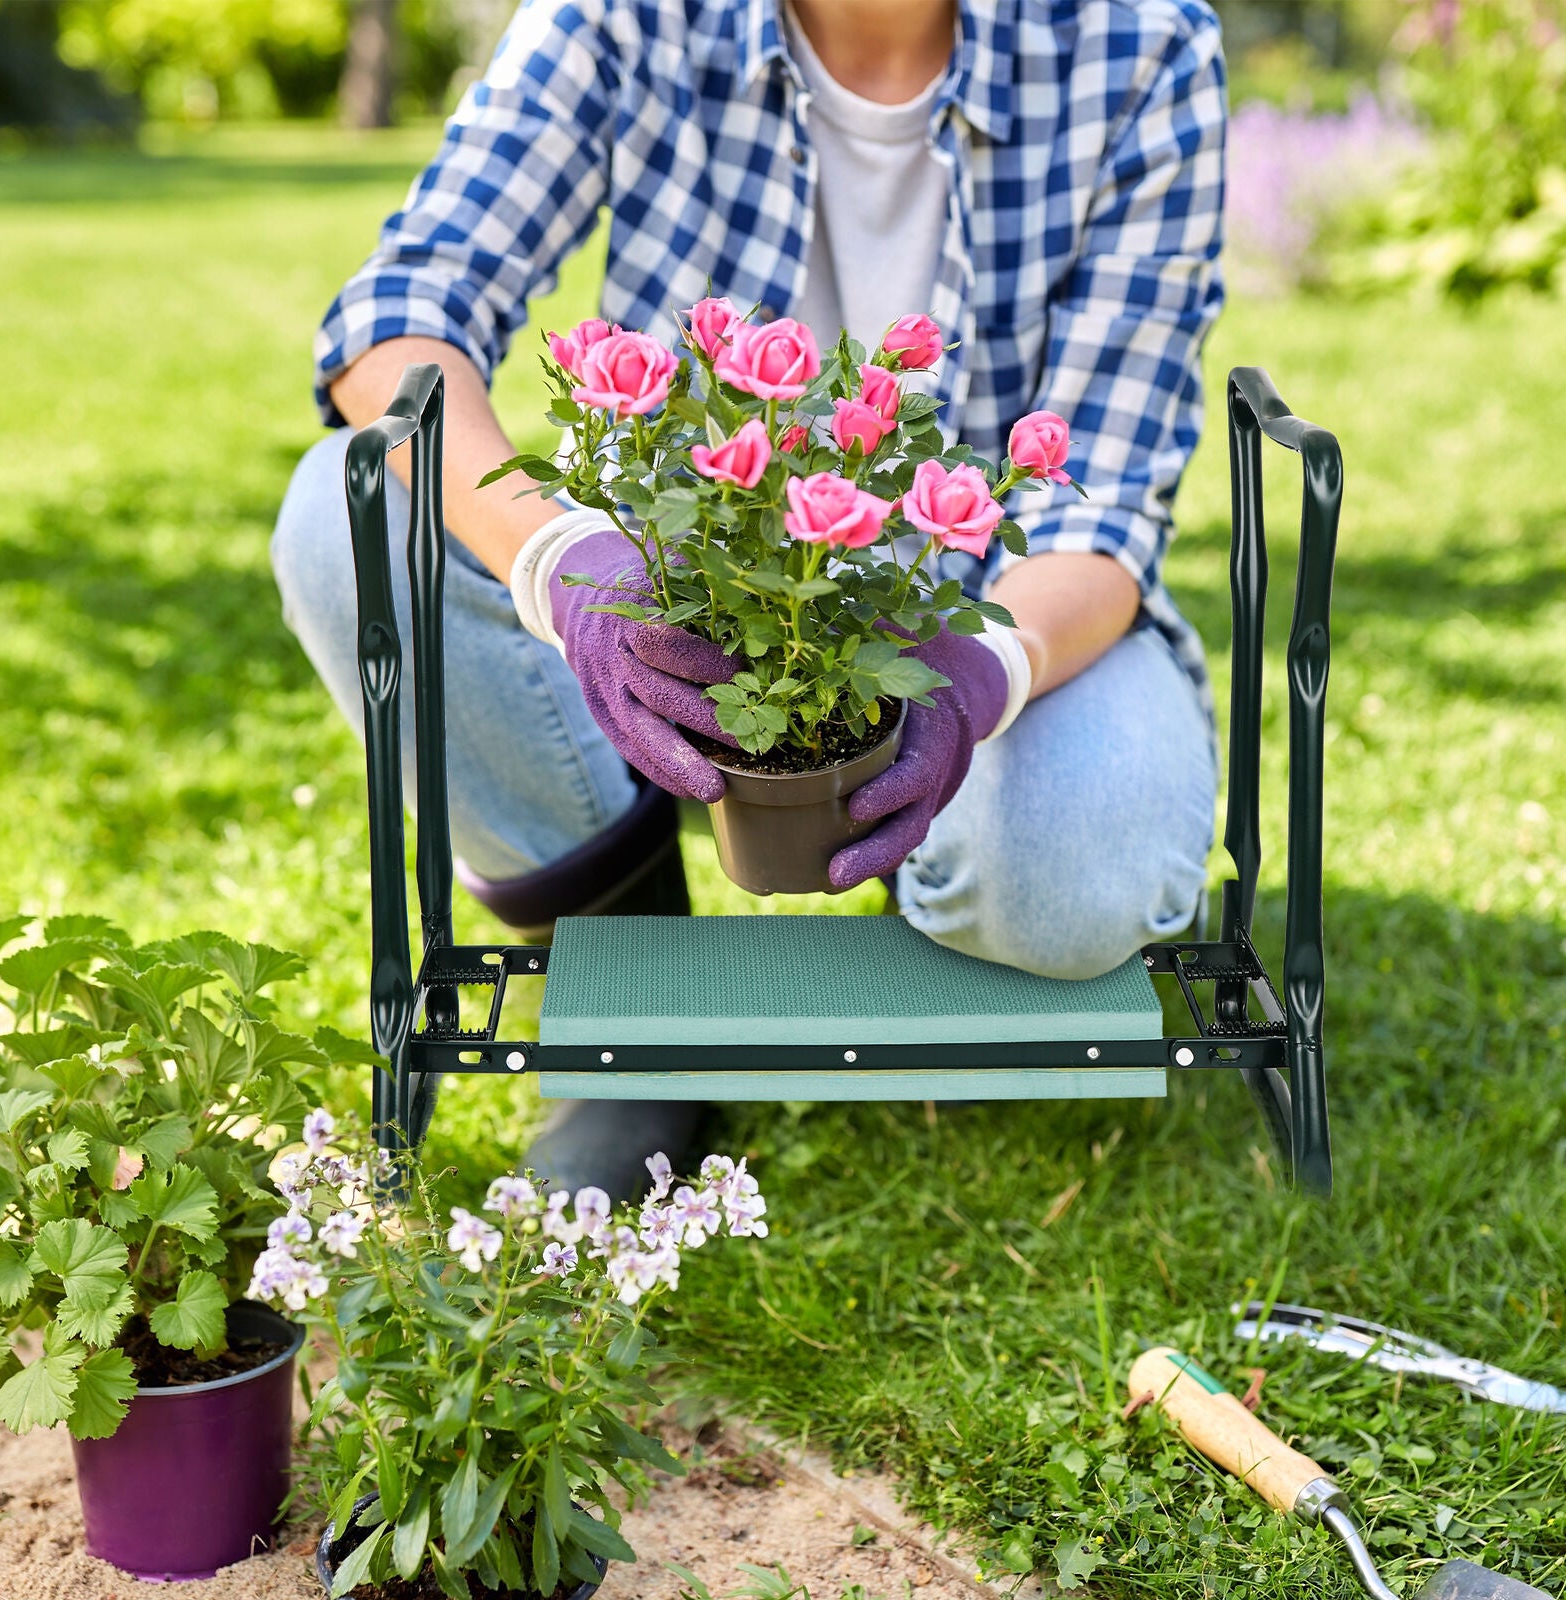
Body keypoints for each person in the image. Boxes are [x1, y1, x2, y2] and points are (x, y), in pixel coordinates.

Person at [271, 0, 1227, 1195]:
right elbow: (397, 316)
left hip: (997, 612)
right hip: (671, 604)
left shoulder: (1136, 42)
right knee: (340, 516)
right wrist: (558, 560)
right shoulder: (628, 16)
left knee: (1062, 888)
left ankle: (933, 872)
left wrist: (988, 672)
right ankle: (623, 989)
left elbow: (1102, 500)